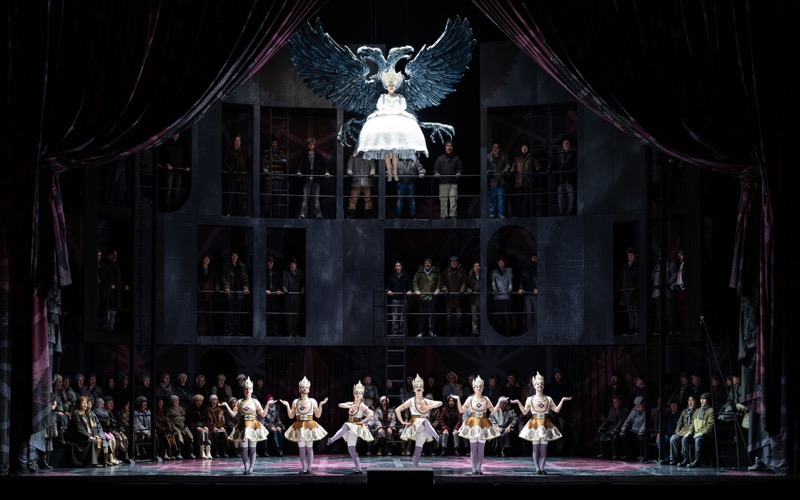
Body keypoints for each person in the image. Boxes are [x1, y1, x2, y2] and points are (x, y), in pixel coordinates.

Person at [356, 69, 428, 181]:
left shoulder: (399, 97)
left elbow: (403, 106)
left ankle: (395, 173)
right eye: (389, 86)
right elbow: (379, 106)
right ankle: (389, 173)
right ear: (387, 87)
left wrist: (395, 110)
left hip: (397, 116)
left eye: (393, 86)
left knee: (394, 153)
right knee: (386, 153)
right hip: (385, 117)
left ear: (395, 87)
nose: (391, 87)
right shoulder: (383, 97)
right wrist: (387, 110)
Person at [511, 372, 571, 475]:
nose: (540, 385)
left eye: (541, 384)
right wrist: (518, 402)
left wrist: (562, 400)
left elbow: (556, 410)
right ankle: (537, 468)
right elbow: (525, 412)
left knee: (543, 449)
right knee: (535, 448)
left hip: (545, 425)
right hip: (534, 425)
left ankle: (542, 468)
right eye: (537, 384)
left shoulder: (548, 399)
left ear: (543, 386)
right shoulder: (530, 399)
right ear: (534, 386)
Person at [220, 377, 274, 475]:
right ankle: (246, 467)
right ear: (243, 390)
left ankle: (251, 468)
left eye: (249, 388)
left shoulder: (255, 401)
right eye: (245, 388)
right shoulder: (240, 401)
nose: (247, 390)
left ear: (252, 390)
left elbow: (263, 414)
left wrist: (267, 404)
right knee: (244, 448)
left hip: (253, 426)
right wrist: (227, 405)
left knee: (253, 448)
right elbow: (233, 414)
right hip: (243, 426)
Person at [452, 375, 501, 475]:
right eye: (477, 386)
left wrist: (499, 401)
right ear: (474, 388)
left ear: (483, 388)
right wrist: (458, 399)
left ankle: (479, 468)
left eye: (480, 386)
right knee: (473, 448)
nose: (479, 388)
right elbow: (461, 410)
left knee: (481, 449)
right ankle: (474, 468)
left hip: (483, 424)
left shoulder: (486, 399)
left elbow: (494, 411)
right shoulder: (470, 399)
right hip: (473, 425)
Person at [280, 376, 328, 475]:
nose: (304, 388)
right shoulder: (295, 402)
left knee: (309, 447)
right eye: (302, 387)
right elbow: (291, 416)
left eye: (306, 387)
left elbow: (318, 415)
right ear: (299, 389)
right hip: (299, 426)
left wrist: (321, 405)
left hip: (309, 426)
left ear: (309, 389)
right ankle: (304, 468)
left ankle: (309, 467)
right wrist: (287, 405)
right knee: (301, 448)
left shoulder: (312, 401)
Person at [327, 381, 375, 475]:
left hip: (355, 425)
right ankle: (359, 468)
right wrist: (350, 405)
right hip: (351, 425)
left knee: (345, 426)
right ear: (354, 394)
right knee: (351, 449)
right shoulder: (352, 403)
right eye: (356, 393)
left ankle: (332, 440)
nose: (358, 394)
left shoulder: (361, 405)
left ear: (362, 395)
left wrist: (363, 421)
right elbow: (340, 405)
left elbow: (371, 413)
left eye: (360, 393)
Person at [395, 374, 442, 467]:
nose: (419, 388)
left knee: (418, 447)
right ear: (414, 390)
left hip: (424, 427)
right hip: (415, 424)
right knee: (424, 421)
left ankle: (415, 465)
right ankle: (437, 438)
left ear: (423, 389)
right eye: (417, 386)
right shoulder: (411, 401)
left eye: (420, 386)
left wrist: (428, 407)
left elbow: (440, 403)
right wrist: (403, 422)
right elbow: (397, 409)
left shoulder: (426, 401)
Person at [295, 137, 331, 219]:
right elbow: (300, 165)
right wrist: (299, 171)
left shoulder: (318, 156)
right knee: (305, 197)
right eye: (309, 144)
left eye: (312, 144)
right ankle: (302, 214)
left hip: (316, 178)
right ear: (307, 145)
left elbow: (323, 166)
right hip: (306, 178)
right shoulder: (303, 156)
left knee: (316, 198)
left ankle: (318, 214)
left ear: (314, 145)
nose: (311, 146)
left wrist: (326, 172)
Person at [221, 250, 250, 336]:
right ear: (231, 256)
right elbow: (223, 277)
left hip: (239, 292)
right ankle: (229, 330)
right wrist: (226, 286)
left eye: (236, 255)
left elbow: (245, 278)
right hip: (230, 291)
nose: (234, 257)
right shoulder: (226, 265)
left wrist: (246, 287)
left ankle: (236, 330)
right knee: (229, 312)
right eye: (233, 255)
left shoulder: (242, 266)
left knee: (238, 312)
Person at [100, 248, 129, 335]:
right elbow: (103, 278)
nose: (116, 257)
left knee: (114, 311)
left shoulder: (116, 266)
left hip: (116, 293)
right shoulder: (105, 265)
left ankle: (111, 328)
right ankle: (106, 328)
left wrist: (123, 286)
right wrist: (109, 285)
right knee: (108, 311)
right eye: (114, 255)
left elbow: (119, 280)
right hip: (109, 293)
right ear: (110, 255)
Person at [682, 392, 715, 468]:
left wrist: (702, 433)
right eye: (701, 399)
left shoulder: (711, 411)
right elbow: (693, 424)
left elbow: (710, 425)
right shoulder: (697, 411)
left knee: (698, 439)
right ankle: (686, 459)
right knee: (685, 439)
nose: (702, 401)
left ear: (708, 400)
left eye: (704, 399)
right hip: (696, 434)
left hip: (707, 436)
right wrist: (690, 432)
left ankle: (697, 460)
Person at [433, 140, 463, 219]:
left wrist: (459, 173)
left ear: (452, 148)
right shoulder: (440, 158)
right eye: (447, 146)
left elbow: (460, 168)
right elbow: (436, 168)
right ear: (445, 147)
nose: (449, 147)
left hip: (453, 182)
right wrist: (436, 173)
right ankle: (444, 215)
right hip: (443, 182)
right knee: (443, 200)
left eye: (450, 146)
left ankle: (453, 215)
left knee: (453, 200)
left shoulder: (456, 158)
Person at [161, 132, 190, 211]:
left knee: (177, 190)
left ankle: (176, 208)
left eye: (177, 134)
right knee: (168, 189)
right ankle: (167, 208)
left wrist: (187, 165)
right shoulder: (167, 143)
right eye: (174, 134)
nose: (175, 135)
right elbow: (162, 155)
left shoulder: (182, 143)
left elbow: (186, 155)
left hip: (179, 170)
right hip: (169, 170)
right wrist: (167, 164)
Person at [412, 257, 441, 337]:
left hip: (431, 297)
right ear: (424, 264)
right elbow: (414, 282)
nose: (427, 264)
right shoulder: (419, 273)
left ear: (431, 264)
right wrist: (416, 290)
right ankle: (421, 332)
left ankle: (431, 332)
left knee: (431, 316)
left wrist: (437, 289)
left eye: (428, 263)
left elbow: (439, 282)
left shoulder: (435, 273)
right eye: (426, 263)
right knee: (421, 316)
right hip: (421, 297)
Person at [222, 134, 250, 217]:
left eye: (239, 140)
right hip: (233, 177)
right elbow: (224, 161)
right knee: (230, 195)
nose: (238, 142)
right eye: (236, 140)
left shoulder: (243, 152)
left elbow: (247, 162)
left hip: (242, 177)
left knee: (242, 195)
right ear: (233, 141)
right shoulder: (229, 151)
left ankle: (242, 212)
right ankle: (228, 212)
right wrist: (230, 170)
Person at [260, 138, 288, 217]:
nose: (274, 144)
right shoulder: (266, 152)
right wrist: (265, 169)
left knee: (277, 196)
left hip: (278, 177)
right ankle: (265, 213)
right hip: (269, 177)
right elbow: (263, 161)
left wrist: (281, 159)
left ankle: (276, 213)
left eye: (276, 143)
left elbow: (285, 160)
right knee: (267, 195)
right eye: (273, 143)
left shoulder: (280, 152)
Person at [441, 255, 468, 337]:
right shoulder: (445, 271)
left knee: (458, 316)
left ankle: (458, 330)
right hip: (449, 298)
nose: (454, 263)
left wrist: (462, 290)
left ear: (457, 262)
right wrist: (445, 290)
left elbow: (464, 283)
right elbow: (443, 282)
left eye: (455, 261)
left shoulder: (462, 271)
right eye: (452, 261)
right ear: (450, 262)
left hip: (458, 297)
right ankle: (449, 330)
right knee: (449, 316)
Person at [597, 394, 629, 461]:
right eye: (614, 402)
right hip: (611, 428)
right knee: (602, 433)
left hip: (619, 429)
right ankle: (604, 453)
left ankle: (616, 454)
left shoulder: (625, 410)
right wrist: (601, 427)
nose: (614, 403)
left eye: (616, 402)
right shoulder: (612, 410)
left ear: (620, 402)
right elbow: (607, 421)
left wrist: (615, 430)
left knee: (614, 435)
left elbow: (621, 422)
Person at [617, 247, 640, 336]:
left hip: (634, 293)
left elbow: (641, 278)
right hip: (626, 293)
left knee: (636, 312)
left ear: (635, 255)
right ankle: (632, 329)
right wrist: (618, 286)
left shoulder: (638, 266)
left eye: (631, 254)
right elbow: (620, 278)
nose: (630, 256)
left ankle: (637, 329)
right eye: (628, 255)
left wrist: (638, 287)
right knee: (630, 312)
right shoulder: (625, 267)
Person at [386, 259, 413, 336]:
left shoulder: (406, 275)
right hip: (395, 299)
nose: (398, 267)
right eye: (396, 266)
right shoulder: (391, 276)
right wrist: (388, 290)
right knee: (395, 316)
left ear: (402, 267)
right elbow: (387, 286)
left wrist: (410, 290)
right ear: (394, 267)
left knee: (403, 316)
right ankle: (394, 333)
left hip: (404, 298)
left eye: (399, 266)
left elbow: (410, 285)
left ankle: (402, 332)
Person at [669, 394, 698, 466]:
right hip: (683, 431)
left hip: (692, 431)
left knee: (685, 439)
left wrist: (690, 432)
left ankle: (685, 459)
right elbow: (679, 423)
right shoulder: (684, 411)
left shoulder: (698, 411)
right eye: (689, 400)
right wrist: (677, 432)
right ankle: (674, 459)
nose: (690, 402)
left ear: (696, 402)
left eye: (692, 400)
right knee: (673, 438)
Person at [345, 151, 375, 219]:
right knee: (353, 198)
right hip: (356, 180)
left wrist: (372, 173)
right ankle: (350, 215)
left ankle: (368, 215)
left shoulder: (369, 156)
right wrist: (349, 173)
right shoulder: (353, 156)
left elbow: (373, 167)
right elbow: (349, 167)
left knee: (368, 198)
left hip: (366, 180)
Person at [551, 137, 576, 215]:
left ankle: (569, 212)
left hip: (570, 178)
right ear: (562, 144)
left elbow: (576, 164)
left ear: (570, 144)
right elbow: (553, 163)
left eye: (567, 143)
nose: (566, 144)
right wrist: (550, 169)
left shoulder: (573, 154)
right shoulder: (559, 155)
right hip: (561, 178)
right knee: (561, 197)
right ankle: (562, 213)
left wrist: (573, 170)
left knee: (570, 196)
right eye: (564, 143)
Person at [395, 155, 425, 219]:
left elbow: (420, 168)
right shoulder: (397, 159)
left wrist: (421, 173)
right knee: (400, 199)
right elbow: (392, 168)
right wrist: (390, 172)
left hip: (411, 182)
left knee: (411, 199)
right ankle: (398, 216)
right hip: (401, 182)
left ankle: (413, 215)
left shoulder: (414, 158)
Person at [281, 257, 305, 337]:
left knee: (297, 314)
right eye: (291, 264)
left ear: (296, 265)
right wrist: (285, 291)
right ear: (289, 265)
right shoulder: (285, 273)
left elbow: (303, 283)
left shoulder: (300, 273)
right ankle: (290, 332)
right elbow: (283, 283)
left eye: (294, 264)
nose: (292, 266)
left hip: (297, 296)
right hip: (289, 296)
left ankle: (297, 331)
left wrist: (302, 290)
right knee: (289, 315)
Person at [619, 396, 648, 461]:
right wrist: (623, 429)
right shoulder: (634, 410)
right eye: (636, 405)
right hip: (634, 430)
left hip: (643, 432)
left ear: (644, 403)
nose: (637, 406)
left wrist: (641, 432)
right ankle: (629, 456)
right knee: (626, 436)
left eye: (639, 404)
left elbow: (646, 423)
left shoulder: (647, 411)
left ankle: (641, 455)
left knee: (640, 437)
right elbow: (628, 420)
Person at [197, 253, 219, 336]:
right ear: (202, 259)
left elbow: (216, 280)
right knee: (198, 313)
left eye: (208, 259)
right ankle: (198, 331)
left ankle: (210, 331)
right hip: (199, 294)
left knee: (208, 314)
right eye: (205, 258)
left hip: (209, 294)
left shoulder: (212, 269)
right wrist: (197, 287)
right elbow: (194, 279)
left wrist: (216, 287)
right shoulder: (197, 268)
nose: (207, 260)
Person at [491, 256, 514, 335]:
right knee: (499, 317)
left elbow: (510, 281)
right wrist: (495, 290)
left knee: (507, 316)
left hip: (506, 297)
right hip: (497, 297)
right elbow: (493, 282)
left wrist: (510, 289)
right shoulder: (494, 271)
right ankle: (501, 333)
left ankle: (508, 333)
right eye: (499, 262)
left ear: (504, 263)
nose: (501, 264)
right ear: (497, 263)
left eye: (502, 262)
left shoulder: (509, 270)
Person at [487, 142, 511, 218]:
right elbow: (485, 166)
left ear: (499, 148)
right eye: (494, 147)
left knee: (501, 198)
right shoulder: (488, 156)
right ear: (492, 148)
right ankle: (493, 214)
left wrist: (505, 171)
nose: (495, 148)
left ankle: (501, 214)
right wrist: (488, 171)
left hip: (501, 181)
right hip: (492, 181)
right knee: (493, 198)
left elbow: (508, 165)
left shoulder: (504, 156)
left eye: (497, 147)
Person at [511, 142, 534, 218]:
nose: (524, 148)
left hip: (528, 181)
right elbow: (513, 166)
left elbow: (537, 165)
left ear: (528, 148)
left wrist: (537, 170)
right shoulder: (517, 158)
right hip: (519, 181)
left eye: (526, 147)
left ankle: (528, 215)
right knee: (518, 199)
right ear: (521, 149)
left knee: (527, 199)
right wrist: (512, 171)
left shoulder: (531, 157)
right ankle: (518, 215)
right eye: (523, 147)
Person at [517, 252, 538, 331]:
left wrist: (537, 287)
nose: (534, 259)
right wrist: (521, 288)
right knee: (529, 313)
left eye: (535, 257)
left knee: (536, 313)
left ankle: (537, 329)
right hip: (528, 294)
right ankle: (529, 330)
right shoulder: (527, 269)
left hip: (537, 295)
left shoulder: (540, 268)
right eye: (533, 257)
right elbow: (522, 279)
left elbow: (543, 279)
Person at [265, 255, 284, 337]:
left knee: (275, 314)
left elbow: (279, 283)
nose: (270, 264)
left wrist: (279, 289)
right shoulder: (264, 271)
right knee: (267, 314)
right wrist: (265, 290)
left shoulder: (276, 272)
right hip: (266, 296)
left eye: (272, 262)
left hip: (275, 296)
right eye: (269, 262)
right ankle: (267, 332)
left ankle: (275, 331)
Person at [668, 249, 686, 334]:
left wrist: (683, 283)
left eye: (681, 255)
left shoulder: (685, 265)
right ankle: (682, 327)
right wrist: (675, 284)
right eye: (678, 256)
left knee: (684, 309)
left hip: (684, 290)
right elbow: (678, 277)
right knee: (679, 309)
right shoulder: (679, 265)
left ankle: (685, 327)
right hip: (679, 290)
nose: (680, 257)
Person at [466, 259, 481, 337]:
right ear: (473, 267)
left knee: (482, 316)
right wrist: (469, 290)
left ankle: (483, 331)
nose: (477, 268)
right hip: (474, 299)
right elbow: (468, 286)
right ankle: (475, 332)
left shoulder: (483, 276)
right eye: (475, 266)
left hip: (482, 299)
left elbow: (488, 286)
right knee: (474, 317)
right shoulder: (470, 277)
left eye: (478, 266)